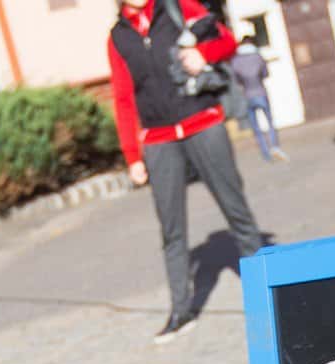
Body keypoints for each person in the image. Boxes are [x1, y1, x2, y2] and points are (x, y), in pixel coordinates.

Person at [107, 0, 264, 343]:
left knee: (236, 211)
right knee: (171, 231)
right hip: (159, 139)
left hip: (203, 124)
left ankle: (267, 293)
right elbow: (123, 98)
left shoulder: (178, 7)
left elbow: (227, 41)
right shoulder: (118, 37)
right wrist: (133, 156)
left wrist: (203, 54)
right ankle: (181, 312)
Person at [229, 39, 286, 164]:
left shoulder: (236, 60)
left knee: (256, 127)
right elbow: (265, 73)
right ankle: (275, 146)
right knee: (270, 122)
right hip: (261, 92)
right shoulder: (258, 57)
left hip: (247, 95)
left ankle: (265, 153)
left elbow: (236, 79)